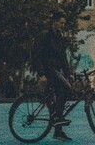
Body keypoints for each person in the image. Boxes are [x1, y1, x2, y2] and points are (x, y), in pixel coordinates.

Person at [37, 11, 74, 142]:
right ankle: (58, 118)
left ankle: (58, 131)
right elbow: (36, 54)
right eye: (61, 23)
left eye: (64, 23)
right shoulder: (46, 35)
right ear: (54, 22)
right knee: (67, 88)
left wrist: (69, 73)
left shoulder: (59, 36)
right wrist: (41, 74)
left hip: (56, 69)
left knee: (58, 99)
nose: (63, 25)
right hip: (49, 69)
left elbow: (63, 57)